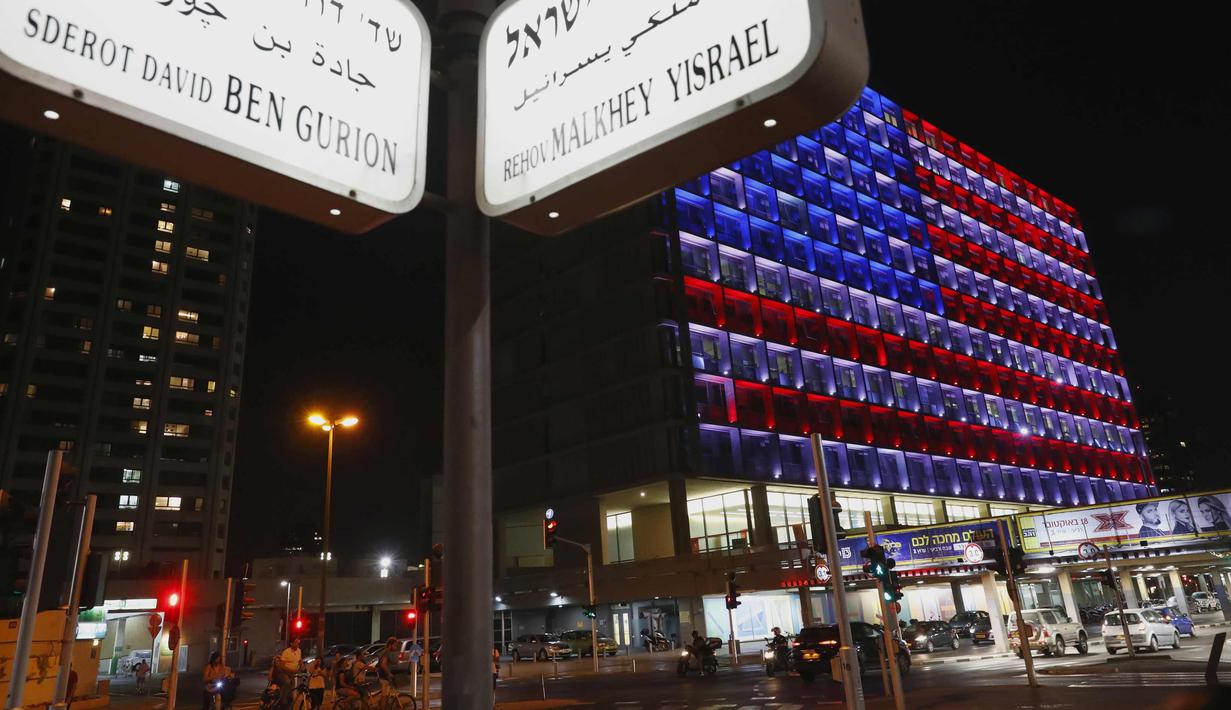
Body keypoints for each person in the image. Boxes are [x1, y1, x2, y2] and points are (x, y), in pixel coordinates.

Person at [273, 638, 302, 709]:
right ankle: (283, 700)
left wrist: (302, 667)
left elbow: (299, 661)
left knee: (292, 689)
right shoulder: (286, 652)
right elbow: (282, 665)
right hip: (285, 672)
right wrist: (290, 670)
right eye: (296, 642)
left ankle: (289, 702)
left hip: (293, 673)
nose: (297, 644)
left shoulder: (299, 651)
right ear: (291, 643)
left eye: (298, 643)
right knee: (287, 682)